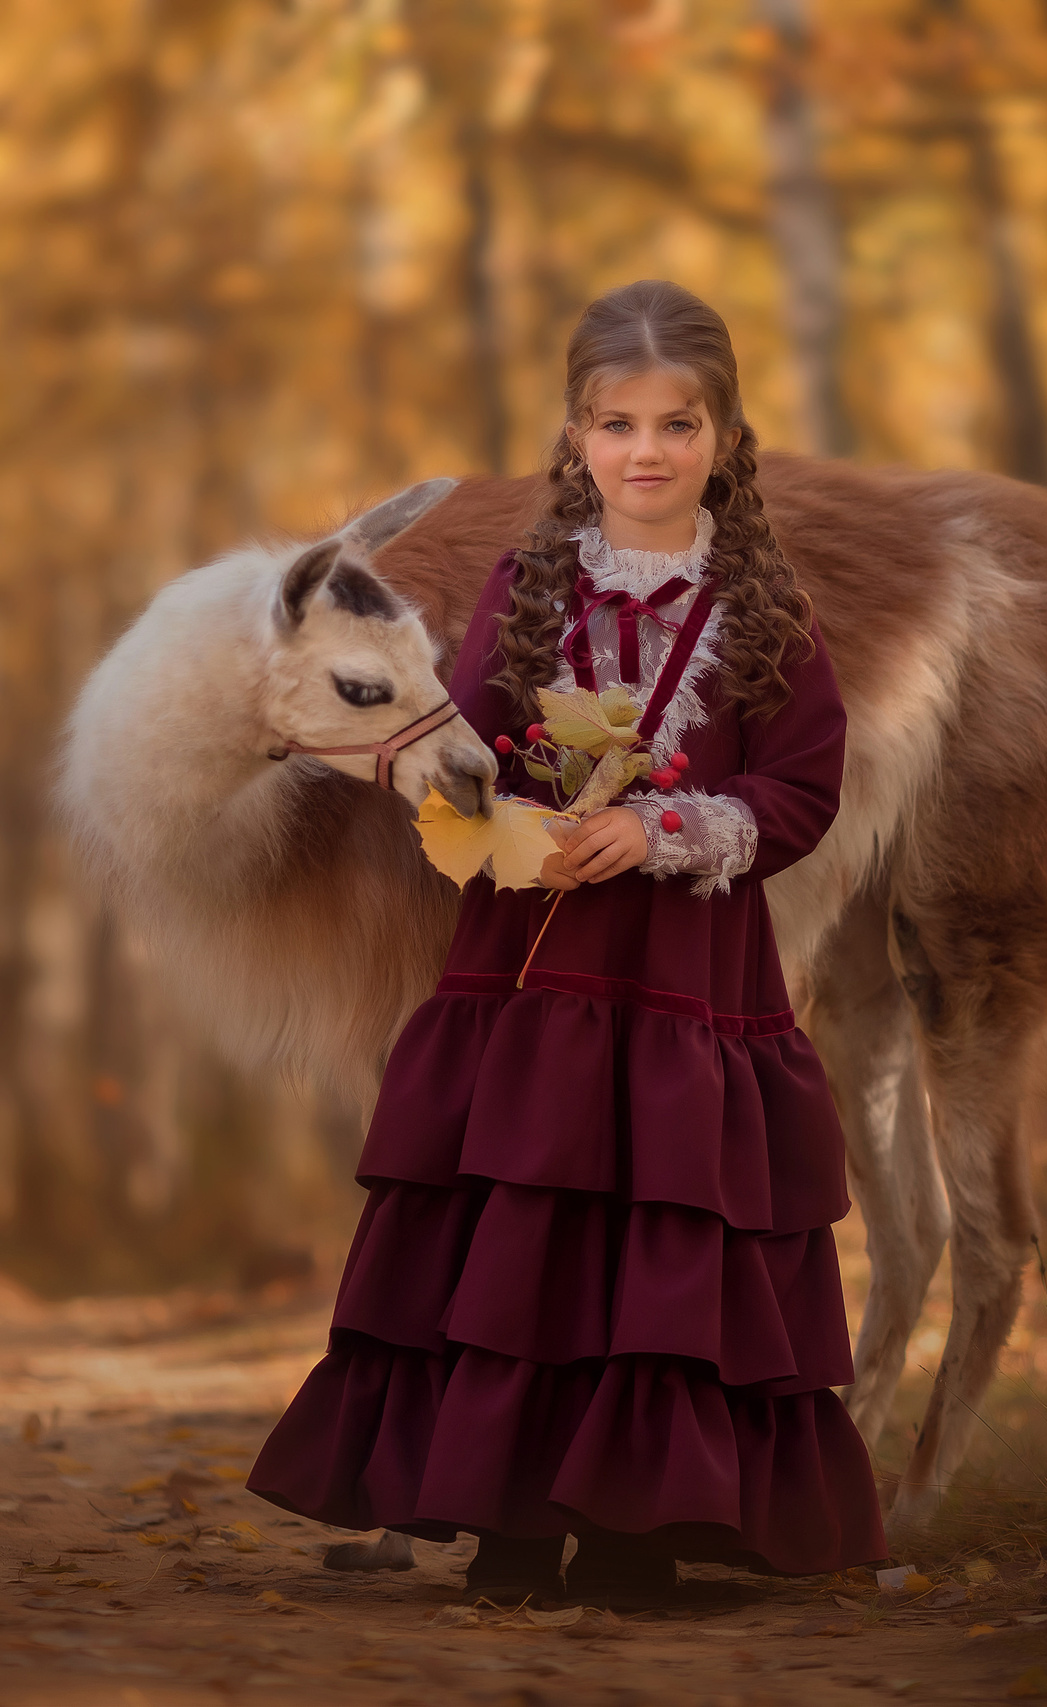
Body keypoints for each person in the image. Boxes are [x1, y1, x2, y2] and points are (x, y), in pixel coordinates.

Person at [246, 278, 889, 1605]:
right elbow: (469, 743)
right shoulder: (530, 587)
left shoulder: (763, 614)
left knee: (660, 1233)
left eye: (677, 423)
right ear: (577, 435)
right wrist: (430, 780)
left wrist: (666, 831)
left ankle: (640, 1530)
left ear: (724, 436)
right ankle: (512, 1523)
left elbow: (803, 792)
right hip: (530, 978)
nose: (645, 451)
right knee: (524, 1235)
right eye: (616, 423)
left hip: (679, 986)